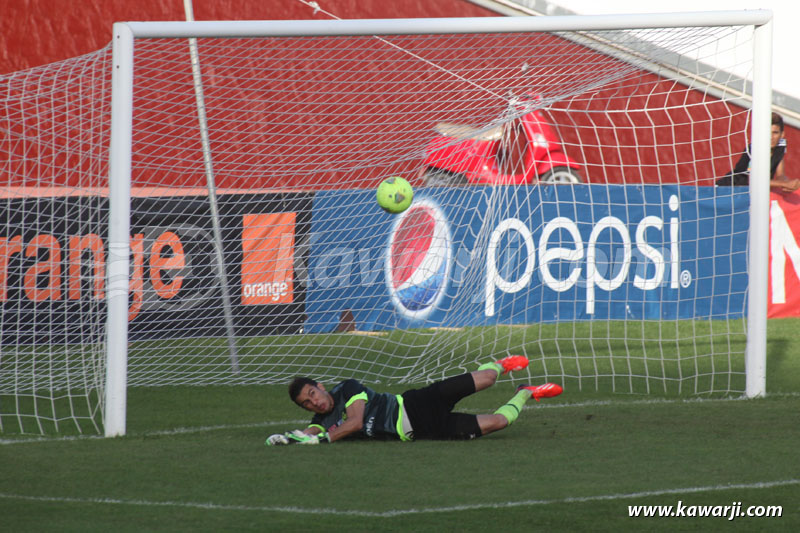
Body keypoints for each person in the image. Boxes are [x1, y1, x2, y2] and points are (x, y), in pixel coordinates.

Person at [265, 355, 562, 445]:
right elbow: (311, 431)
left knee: (487, 379)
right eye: (307, 403)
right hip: (425, 429)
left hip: (418, 403)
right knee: (499, 421)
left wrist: (322, 440)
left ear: (320, 386)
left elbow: (355, 422)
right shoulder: (321, 422)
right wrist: (289, 438)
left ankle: (501, 364)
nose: (314, 403)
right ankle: (526, 391)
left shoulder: (347, 388)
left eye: (312, 394)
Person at [716, 112, 800, 192]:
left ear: (782, 134)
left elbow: (780, 175)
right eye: (767, 132)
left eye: (775, 133)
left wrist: (790, 184)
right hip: (728, 190)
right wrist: (783, 184)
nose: (771, 137)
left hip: (749, 194)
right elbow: (753, 180)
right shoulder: (754, 150)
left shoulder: (780, 146)